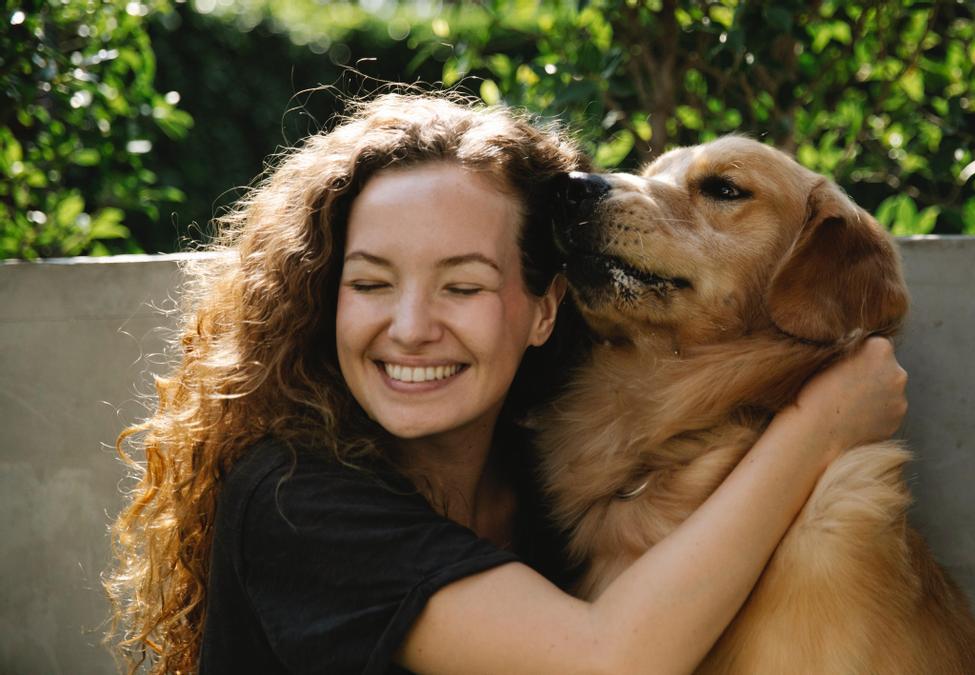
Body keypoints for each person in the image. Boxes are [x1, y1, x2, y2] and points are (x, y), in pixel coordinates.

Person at [106, 92, 908, 675]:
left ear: (545, 310)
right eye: (372, 283)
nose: (412, 327)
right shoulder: (295, 501)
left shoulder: (554, 478)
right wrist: (820, 424)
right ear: (325, 296)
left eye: (463, 286)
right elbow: (606, 661)